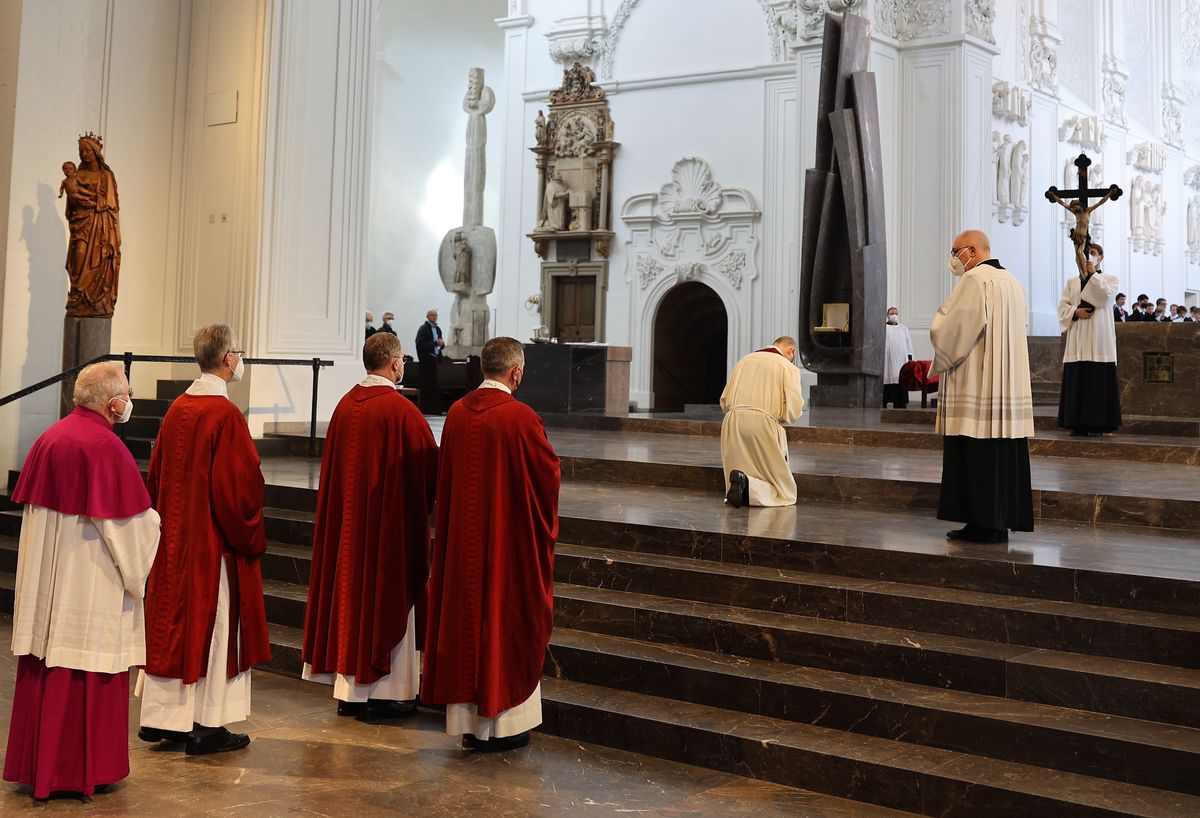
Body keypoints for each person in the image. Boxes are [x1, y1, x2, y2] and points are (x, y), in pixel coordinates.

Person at [3, 363, 160, 800]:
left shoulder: (49, 438)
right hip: (87, 582)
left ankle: (41, 767)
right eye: (127, 393)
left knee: (47, 663)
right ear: (113, 403)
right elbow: (129, 530)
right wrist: (156, 524)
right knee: (87, 666)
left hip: (48, 583)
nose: (129, 401)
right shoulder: (105, 449)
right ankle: (82, 770)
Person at [423, 337, 561, 752]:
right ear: (515, 372)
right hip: (504, 545)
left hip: (463, 546)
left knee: (467, 622)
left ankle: (468, 722)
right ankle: (503, 724)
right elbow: (546, 477)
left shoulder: (458, 414)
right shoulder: (521, 419)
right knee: (503, 620)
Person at [137, 323, 269, 755]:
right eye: (240, 353)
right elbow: (238, 489)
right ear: (229, 359)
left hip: (173, 538)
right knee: (212, 629)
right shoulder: (225, 415)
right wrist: (249, 532)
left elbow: (155, 475)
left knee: (170, 625)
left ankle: (165, 719)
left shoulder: (178, 407)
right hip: (212, 546)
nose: (241, 360)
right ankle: (206, 724)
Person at [302, 333, 438, 719]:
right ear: (395, 364)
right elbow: (429, 469)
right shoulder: (401, 412)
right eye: (403, 363)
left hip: (348, 533)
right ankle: (384, 693)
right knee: (384, 599)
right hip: (385, 533)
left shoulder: (345, 406)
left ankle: (350, 691)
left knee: (350, 599)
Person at [931, 230, 1034, 544]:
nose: (954, 258)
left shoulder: (975, 281)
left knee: (976, 454)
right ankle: (998, 521)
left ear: (971, 251)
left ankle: (982, 523)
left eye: (955, 251)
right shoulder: (1013, 283)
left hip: (977, 381)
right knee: (1001, 457)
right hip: (1006, 384)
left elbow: (952, 329)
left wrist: (940, 348)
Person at [720, 337, 805, 508]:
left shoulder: (744, 361)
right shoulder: (787, 367)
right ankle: (748, 485)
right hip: (763, 422)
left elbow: (724, 399)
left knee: (744, 466)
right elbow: (794, 410)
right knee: (783, 489)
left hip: (732, 421)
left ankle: (742, 483)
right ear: (791, 351)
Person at [1056, 242, 1121, 436]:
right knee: (1078, 379)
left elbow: (1104, 298)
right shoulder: (1072, 282)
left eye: (1092, 253)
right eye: (1086, 254)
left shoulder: (1110, 279)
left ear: (1100, 257)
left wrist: (1093, 275)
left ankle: (1099, 424)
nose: (1088, 256)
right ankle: (1076, 423)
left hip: (1100, 339)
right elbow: (1062, 306)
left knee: (1097, 381)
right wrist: (1075, 311)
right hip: (1079, 337)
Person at [883, 307, 913, 409]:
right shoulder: (883, 328)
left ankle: (900, 403)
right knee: (887, 378)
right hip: (887, 360)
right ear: (887, 315)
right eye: (892, 313)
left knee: (900, 379)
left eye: (896, 313)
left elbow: (908, 343)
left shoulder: (903, 328)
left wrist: (910, 358)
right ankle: (884, 402)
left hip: (901, 360)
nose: (894, 315)